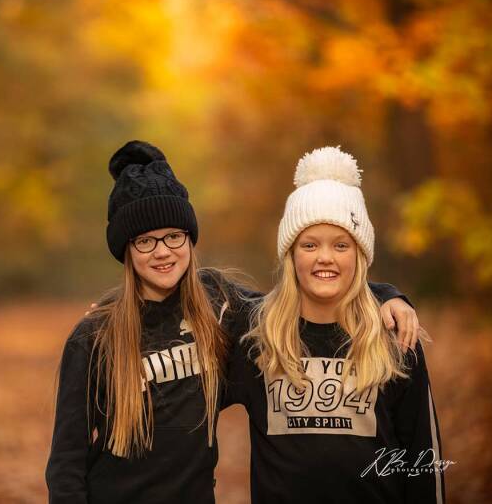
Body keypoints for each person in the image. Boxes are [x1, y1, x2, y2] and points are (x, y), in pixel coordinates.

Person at [45, 141, 419, 504]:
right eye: (145, 241)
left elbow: (302, 295)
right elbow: (66, 461)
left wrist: (384, 295)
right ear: (126, 249)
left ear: (190, 239)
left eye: (174, 236)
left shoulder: (220, 304)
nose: (162, 251)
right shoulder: (95, 335)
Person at [227, 146, 445, 503]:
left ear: (360, 255)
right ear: (290, 255)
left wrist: (386, 294)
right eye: (309, 245)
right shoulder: (257, 337)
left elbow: (422, 460)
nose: (325, 257)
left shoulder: (394, 337)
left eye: (341, 245)